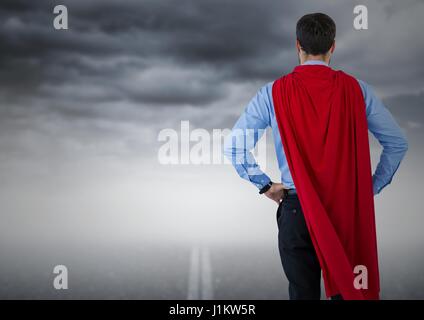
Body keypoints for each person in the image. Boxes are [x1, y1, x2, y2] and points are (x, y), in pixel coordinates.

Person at [224, 12, 408, 300]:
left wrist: (265, 185)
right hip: (345, 211)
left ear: (297, 45)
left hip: (297, 210)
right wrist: (370, 187)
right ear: (333, 46)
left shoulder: (272, 93)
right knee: (350, 294)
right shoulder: (358, 91)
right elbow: (397, 143)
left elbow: (234, 146)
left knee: (302, 295)